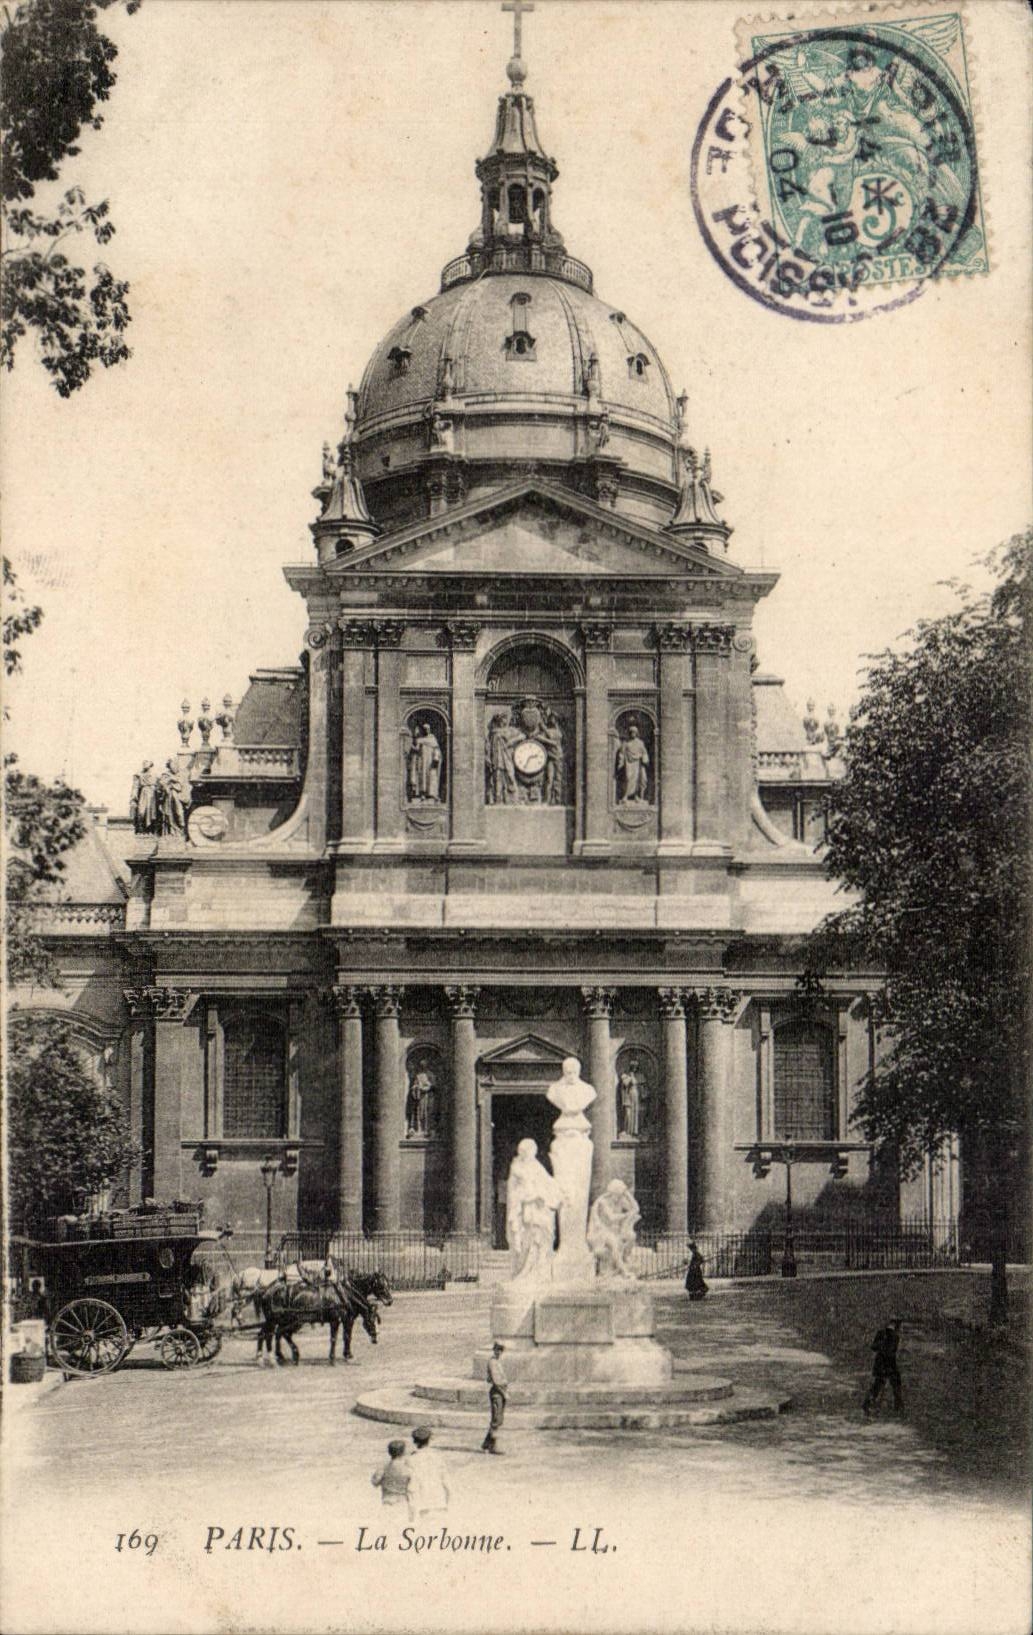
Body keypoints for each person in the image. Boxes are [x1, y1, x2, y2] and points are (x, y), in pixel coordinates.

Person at [863, 1318, 904, 1417]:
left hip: (882, 1363)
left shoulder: (883, 1334)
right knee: (892, 1384)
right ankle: (897, 1407)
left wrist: (881, 1347)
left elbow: (874, 1347)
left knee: (881, 1384)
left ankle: (868, 1404)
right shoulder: (893, 1336)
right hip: (887, 1363)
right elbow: (891, 1350)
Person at [408, 1426, 450, 1515]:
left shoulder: (411, 1459)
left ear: (415, 1441)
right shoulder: (438, 1457)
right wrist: (447, 1503)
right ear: (430, 1440)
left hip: (422, 1505)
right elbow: (447, 1483)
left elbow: (411, 1486)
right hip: (439, 1501)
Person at [371, 1440, 412, 1513]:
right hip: (403, 1501)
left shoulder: (383, 1468)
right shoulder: (408, 1468)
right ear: (403, 1452)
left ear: (389, 1452)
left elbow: (375, 1482)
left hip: (387, 1501)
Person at [482, 1342, 507, 1455]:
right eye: (497, 1349)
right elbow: (496, 1381)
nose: (499, 1352)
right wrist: (504, 1393)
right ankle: (494, 1446)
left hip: (500, 1392)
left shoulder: (497, 1361)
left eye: (501, 1350)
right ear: (494, 1350)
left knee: (498, 1419)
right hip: (497, 1393)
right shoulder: (492, 1362)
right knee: (496, 1420)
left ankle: (487, 1443)